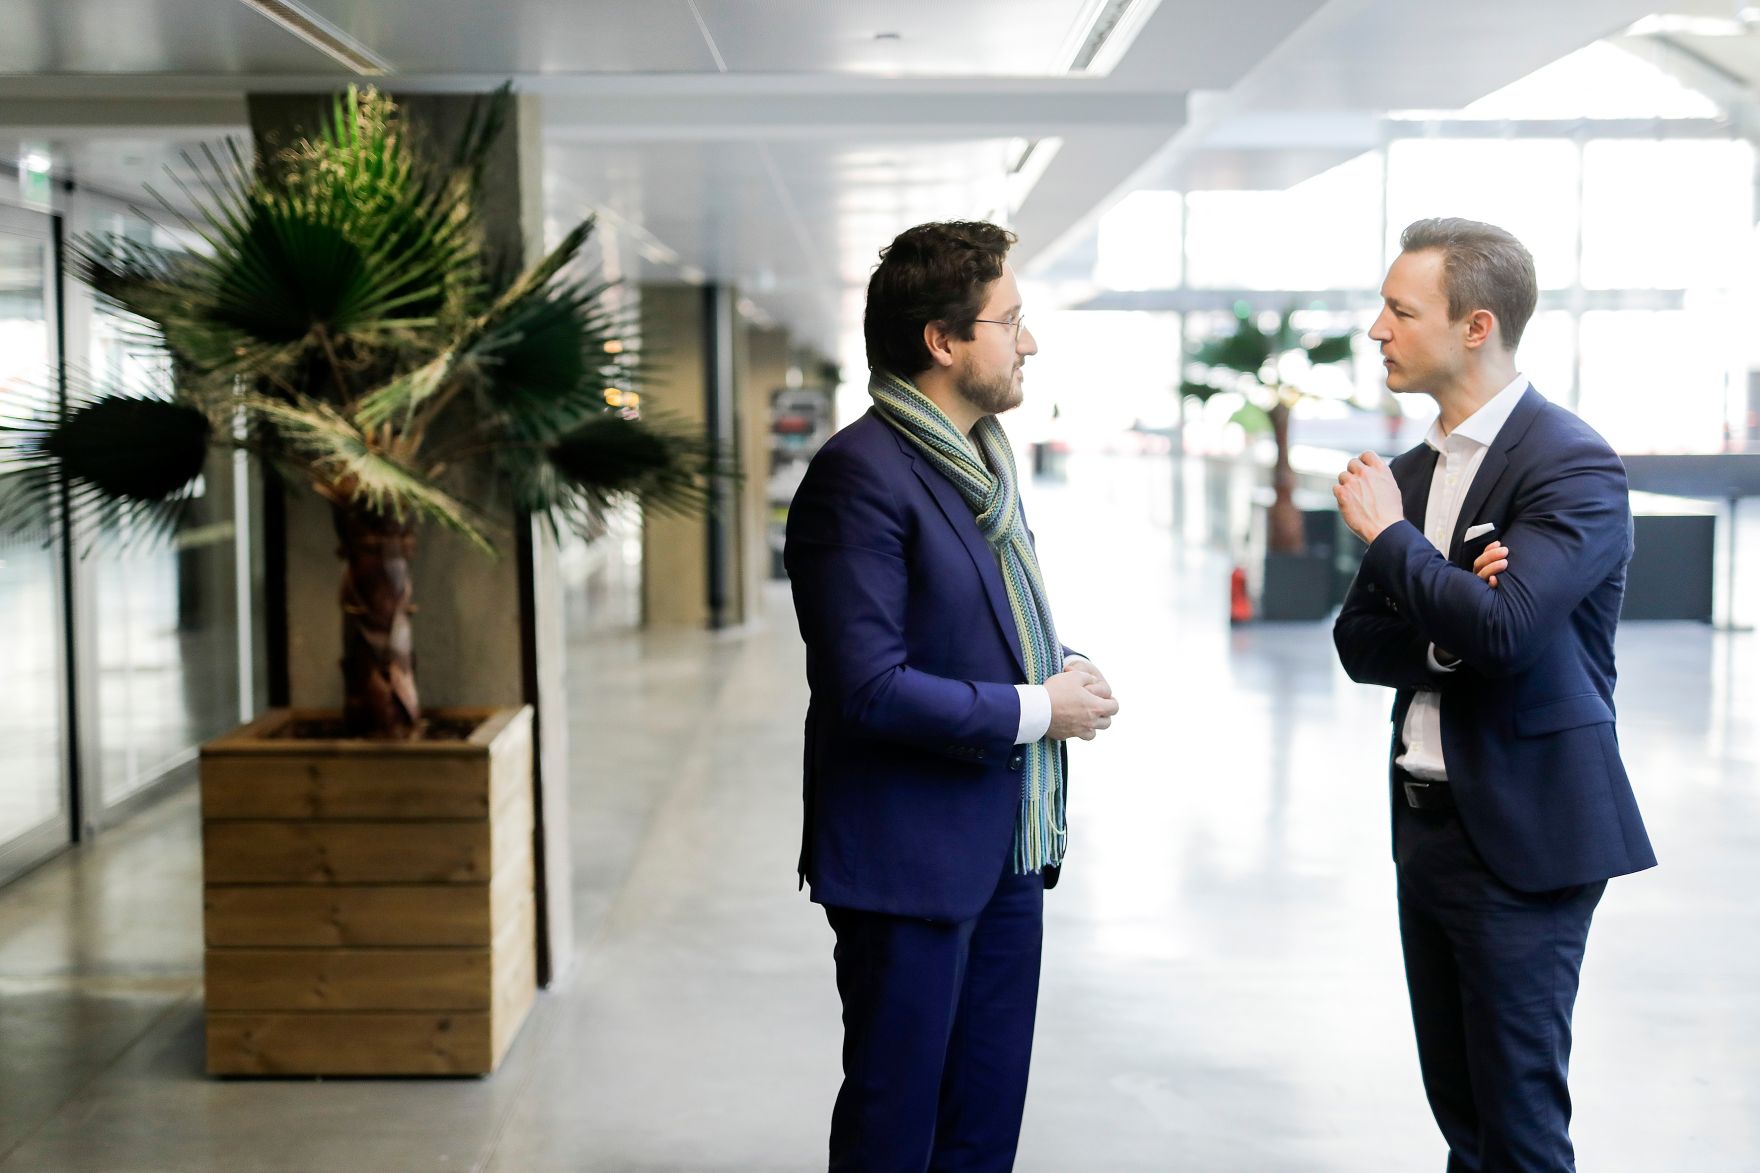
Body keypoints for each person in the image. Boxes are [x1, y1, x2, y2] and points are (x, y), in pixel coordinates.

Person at [784, 220, 1118, 1171]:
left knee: (982, 1125)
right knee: (899, 1128)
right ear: (944, 339)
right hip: (911, 862)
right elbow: (868, 687)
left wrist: (1065, 663)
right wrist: (1038, 709)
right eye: (1011, 320)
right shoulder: (859, 475)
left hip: (1006, 846)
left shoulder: (981, 467)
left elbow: (973, 618)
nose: (1030, 340)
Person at [1333, 217, 1656, 1172]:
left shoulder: (1570, 461)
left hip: (1525, 836)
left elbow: (1510, 633)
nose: (1377, 329)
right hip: (1427, 825)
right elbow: (1360, 640)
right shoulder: (1415, 468)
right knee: (1462, 1114)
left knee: (1517, 1125)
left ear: (1476, 325)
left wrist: (1397, 547)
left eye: (1400, 310)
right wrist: (1453, 608)